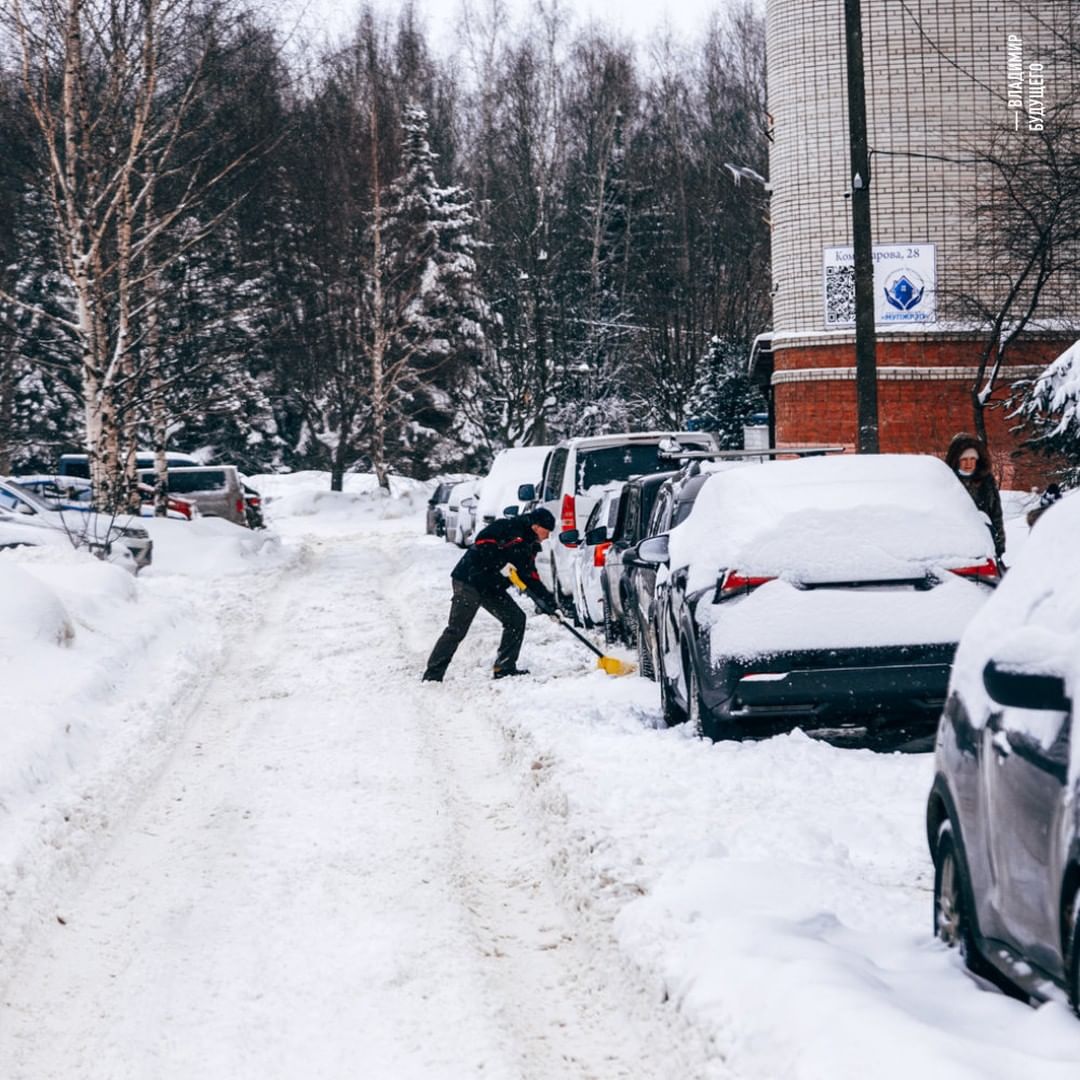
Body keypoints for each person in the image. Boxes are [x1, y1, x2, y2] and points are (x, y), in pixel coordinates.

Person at [422, 507, 559, 682]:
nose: (547, 536)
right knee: (457, 629)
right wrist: (501, 564)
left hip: (491, 588)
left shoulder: (529, 547)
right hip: (469, 581)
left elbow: (530, 578)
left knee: (516, 619)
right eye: (546, 531)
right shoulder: (508, 527)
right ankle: (432, 675)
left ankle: (504, 667)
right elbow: (483, 542)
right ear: (536, 526)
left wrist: (551, 607)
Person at [945, 432, 1005, 559]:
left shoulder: (986, 481)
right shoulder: (947, 480)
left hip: (984, 543)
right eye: (964, 459)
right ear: (956, 460)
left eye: (972, 459)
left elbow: (996, 513)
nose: (969, 463)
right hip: (956, 544)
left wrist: (999, 543)